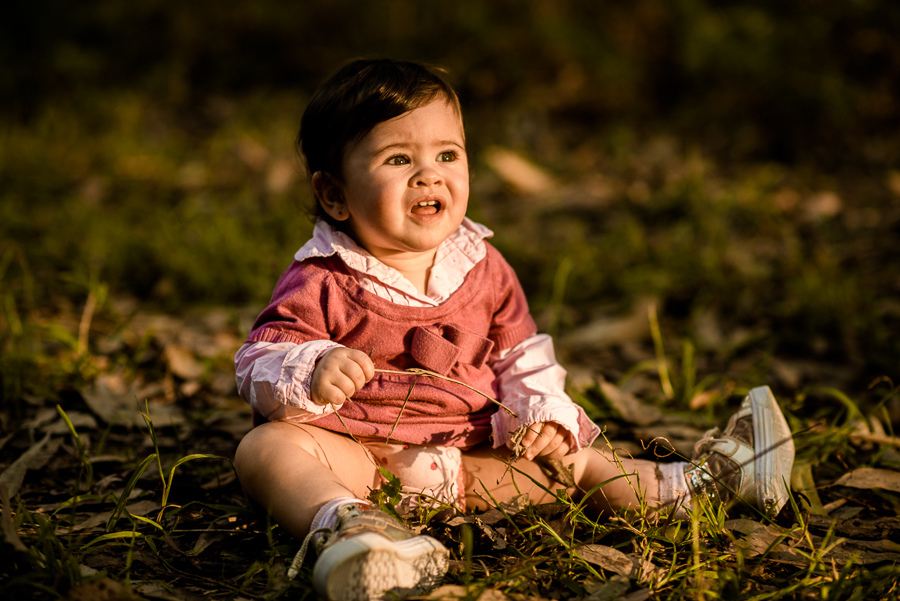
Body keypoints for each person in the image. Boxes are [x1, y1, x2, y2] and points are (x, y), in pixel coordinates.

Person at [233, 59, 794, 601]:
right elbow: (259, 357)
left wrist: (540, 412)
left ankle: (704, 485)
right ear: (334, 194)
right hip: (360, 461)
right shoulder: (323, 276)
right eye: (399, 159)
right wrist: (311, 366)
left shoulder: (482, 266)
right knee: (266, 449)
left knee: (579, 462)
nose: (430, 174)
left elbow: (522, 355)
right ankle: (351, 531)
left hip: (474, 465)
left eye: (447, 154)